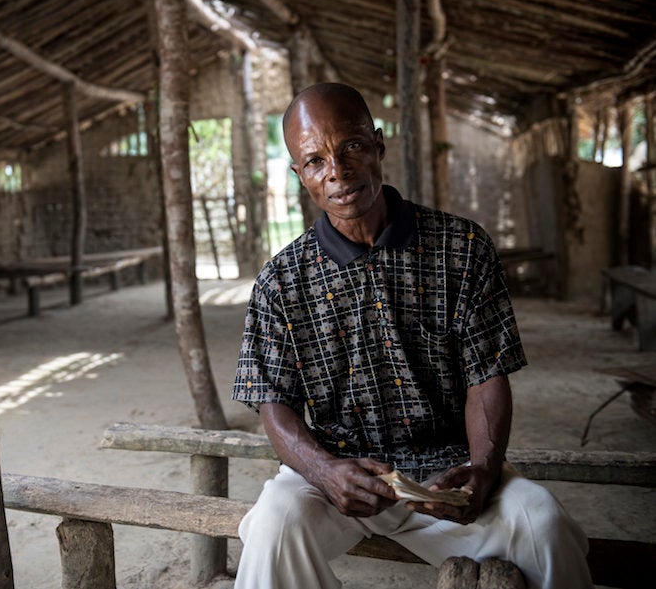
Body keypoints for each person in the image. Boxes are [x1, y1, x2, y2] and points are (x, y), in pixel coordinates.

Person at [231, 83, 591, 589]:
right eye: (315, 161)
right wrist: (324, 470)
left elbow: (486, 376)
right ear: (300, 176)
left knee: (543, 525)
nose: (337, 170)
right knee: (273, 526)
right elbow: (274, 404)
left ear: (378, 144)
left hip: (448, 475)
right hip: (339, 475)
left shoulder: (462, 247)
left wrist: (483, 468)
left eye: (351, 146)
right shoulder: (281, 280)